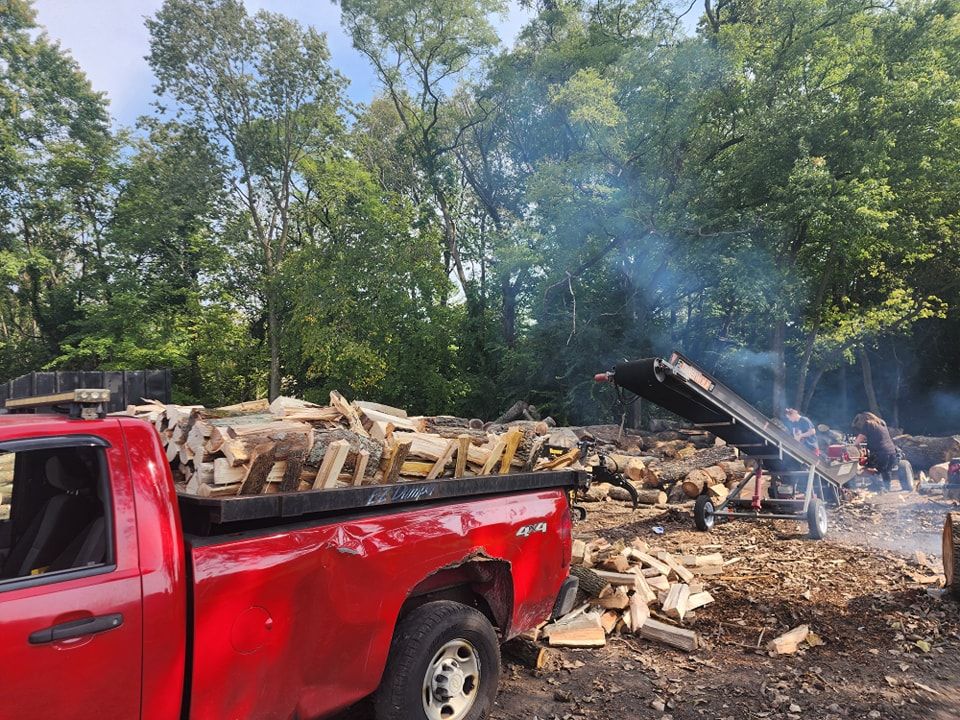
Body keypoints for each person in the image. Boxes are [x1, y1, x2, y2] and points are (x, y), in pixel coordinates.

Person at [852, 411, 899, 492]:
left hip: (881, 454)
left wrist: (858, 448)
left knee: (869, 468)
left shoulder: (868, 424)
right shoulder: (881, 423)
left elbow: (857, 442)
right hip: (892, 452)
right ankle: (886, 488)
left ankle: (879, 487)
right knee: (886, 471)